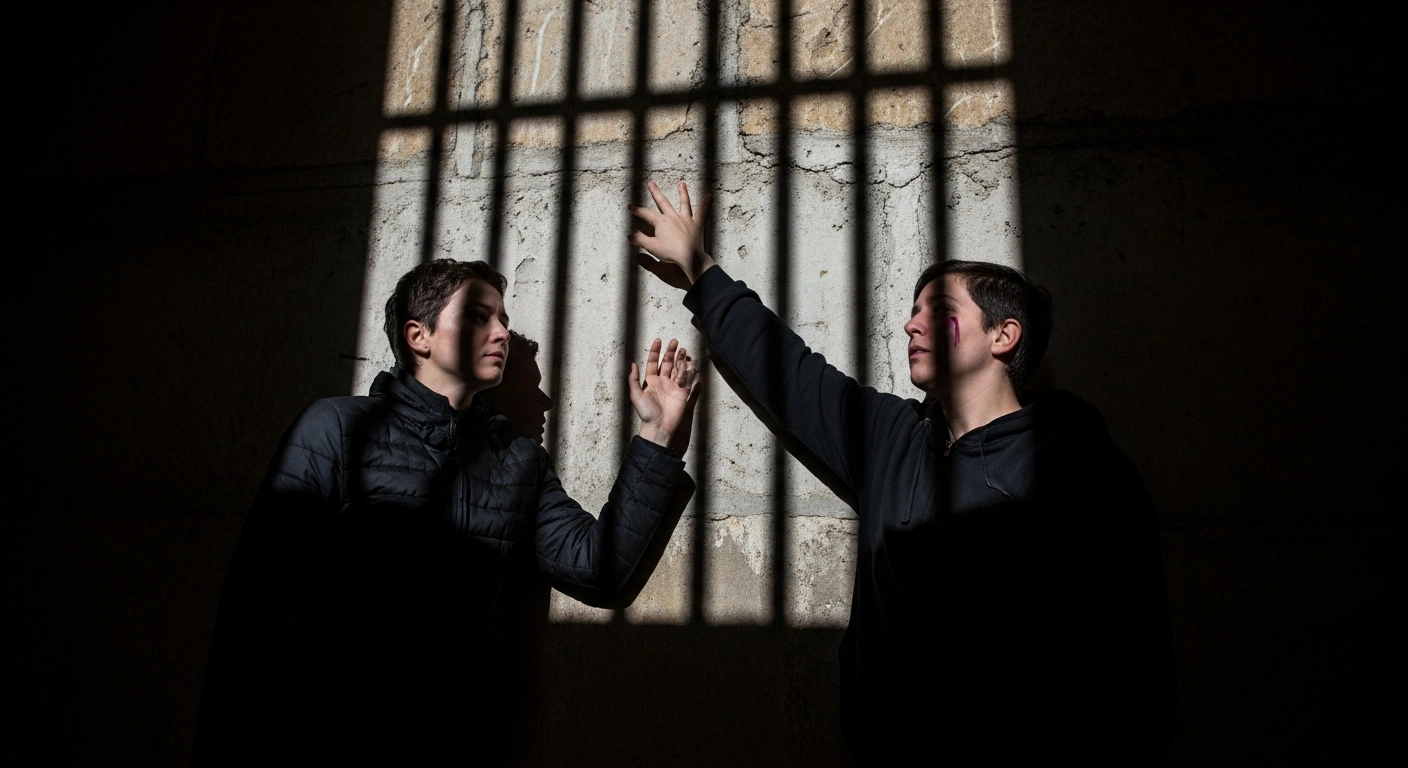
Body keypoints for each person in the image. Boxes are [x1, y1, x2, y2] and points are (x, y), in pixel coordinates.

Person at [629, 182, 1176, 763]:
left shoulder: (1075, 464)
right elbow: (790, 374)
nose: (912, 325)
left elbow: (1132, 648)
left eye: (939, 312)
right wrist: (699, 268)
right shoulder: (895, 438)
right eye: (912, 311)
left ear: (1003, 334)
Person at [194, 258, 697, 764]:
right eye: (479, 316)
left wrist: (658, 436)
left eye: (503, 319)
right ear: (420, 336)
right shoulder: (338, 430)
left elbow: (599, 566)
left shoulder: (517, 459)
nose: (502, 332)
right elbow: (254, 606)